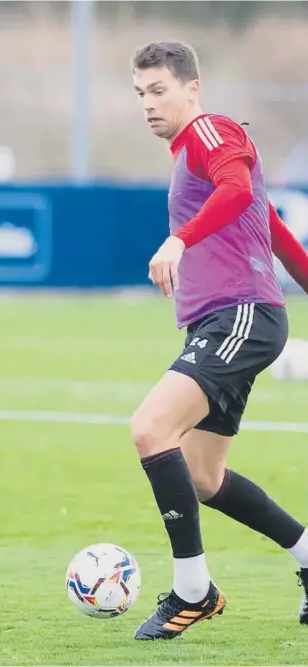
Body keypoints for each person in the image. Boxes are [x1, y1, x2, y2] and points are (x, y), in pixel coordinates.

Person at [130, 40, 308, 641]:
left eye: (158, 91)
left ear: (191, 89)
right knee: (204, 477)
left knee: (152, 429)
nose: (148, 105)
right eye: (140, 94)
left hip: (239, 316)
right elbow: (270, 222)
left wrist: (179, 240)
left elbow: (235, 190)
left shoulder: (209, 132)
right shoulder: (189, 152)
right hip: (234, 319)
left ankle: (192, 590)